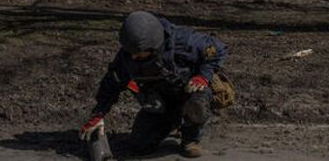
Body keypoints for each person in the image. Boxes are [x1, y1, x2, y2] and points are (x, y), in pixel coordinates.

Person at [79, 11, 228, 158]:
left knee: (197, 104)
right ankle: (173, 122)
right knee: (139, 145)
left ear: (153, 45)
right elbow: (112, 83)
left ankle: (190, 139)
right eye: (131, 52)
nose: (133, 56)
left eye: (138, 52)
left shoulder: (183, 41)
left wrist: (203, 76)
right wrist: (98, 114)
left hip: (190, 93)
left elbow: (218, 50)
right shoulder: (128, 54)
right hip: (160, 102)